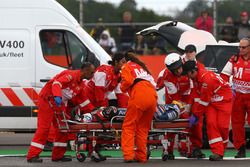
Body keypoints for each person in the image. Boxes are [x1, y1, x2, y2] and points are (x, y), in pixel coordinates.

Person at [26, 62, 96, 163]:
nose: (93, 75)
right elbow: (57, 83)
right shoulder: (71, 75)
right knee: (44, 128)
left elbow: (83, 100)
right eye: (92, 72)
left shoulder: (80, 84)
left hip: (59, 103)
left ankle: (57, 156)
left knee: (63, 127)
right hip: (48, 99)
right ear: (85, 71)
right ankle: (32, 155)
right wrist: (57, 96)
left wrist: (94, 111)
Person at [156, 52, 204, 159]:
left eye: (178, 67)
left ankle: (195, 148)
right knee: (171, 124)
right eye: (174, 69)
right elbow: (174, 96)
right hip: (173, 100)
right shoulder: (166, 76)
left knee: (195, 123)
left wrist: (190, 106)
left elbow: (194, 90)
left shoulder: (189, 68)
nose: (178, 71)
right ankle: (168, 151)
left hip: (190, 97)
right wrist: (182, 108)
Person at [183, 60, 233, 161]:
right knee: (211, 124)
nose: (187, 77)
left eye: (187, 74)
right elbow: (197, 95)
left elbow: (203, 101)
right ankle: (217, 152)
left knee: (222, 126)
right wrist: (189, 108)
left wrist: (196, 115)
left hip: (224, 100)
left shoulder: (206, 80)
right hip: (212, 101)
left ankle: (221, 148)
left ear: (192, 71)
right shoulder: (196, 77)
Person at [120, 51, 157, 163]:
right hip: (152, 96)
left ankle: (128, 155)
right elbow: (154, 84)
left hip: (139, 94)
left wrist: (122, 88)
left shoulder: (127, 66)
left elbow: (127, 81)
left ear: (125, 60)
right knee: (143, 128)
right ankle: (141, 156)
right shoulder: (142, 66)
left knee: (129, 126)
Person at [220, 37, 250, 158]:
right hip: (237, 95)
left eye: (243, 47)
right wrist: (227, 89)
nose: (240, 49)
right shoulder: (234, 58)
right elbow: (224, 75)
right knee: (237, 124)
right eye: (240, 47)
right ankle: (241, 148)